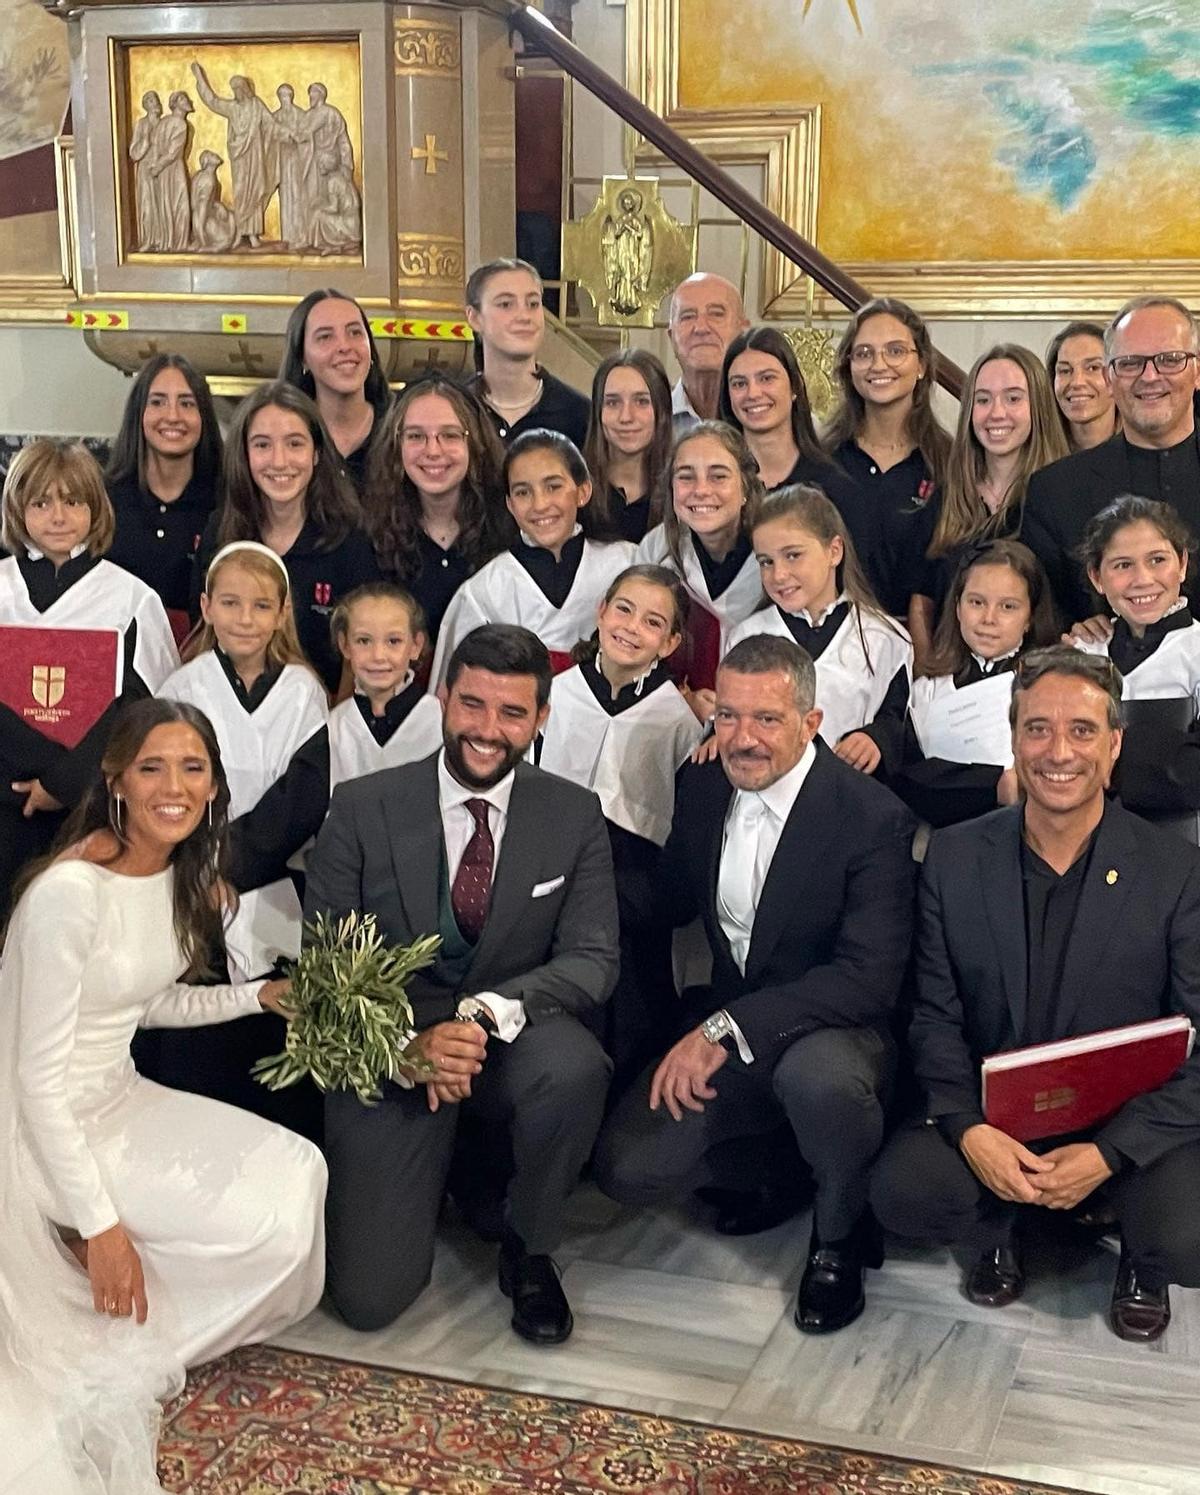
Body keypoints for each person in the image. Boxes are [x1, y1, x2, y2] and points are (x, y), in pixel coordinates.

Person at [0, 697, 326, 1492]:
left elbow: (145, 1004)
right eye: (152, 767)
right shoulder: (69, 894)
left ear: (214, 786)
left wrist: (257, 997)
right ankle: (102, 1340)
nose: (173, 786)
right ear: (116, 778)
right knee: (251, 1223)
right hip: (41, 1127)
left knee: (299, 1182)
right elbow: (34, 1081)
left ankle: (128, 1339)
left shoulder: (177, 874)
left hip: (120, 1094)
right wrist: (100, 1225)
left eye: (192, 768)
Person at [871, 647, 1200, 1342]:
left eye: (1082, 731)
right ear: (1014, 738)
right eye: (1038, 729)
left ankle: (1138, 1253)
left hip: (1125, 1121)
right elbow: (933, 1016)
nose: (1059, 752)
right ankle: (1003, 1222)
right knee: (906, 1193)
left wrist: (1111, 1152)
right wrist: (969, 1129)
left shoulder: (1178, 869)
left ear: (1114, 746)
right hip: (1001, 1117)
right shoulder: (954, 856)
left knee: (1187, 1234)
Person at [595, 634, 917, 1334]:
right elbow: (669, 897)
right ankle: (783, 1170)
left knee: (818, 1082)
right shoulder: (705, 785)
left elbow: (867, 979)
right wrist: (572, 876)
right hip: (734, 1022)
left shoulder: (871, 816)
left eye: (766, 719)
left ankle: (839, 1233)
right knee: (629, 1167)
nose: (743, 738)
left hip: (833, 1031)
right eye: (729, 716)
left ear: (810, 722)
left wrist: (724, 1028)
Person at [305, 623, 618, 1340]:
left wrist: (481, 1016)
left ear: (541, 718)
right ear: (443, 697)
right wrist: (405, 1049)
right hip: (389, 1047)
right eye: (472, 704)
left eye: (512, 713)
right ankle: (448, 1175)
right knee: (369, 1301)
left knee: (573, 1067)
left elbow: (593, 959)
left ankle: (530, 1245)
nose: (487, 729)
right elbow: (325, 968)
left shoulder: (573, 813)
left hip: (503, 1035)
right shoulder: (361, 806)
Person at [0, 441, 178, 919]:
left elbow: (143, 711)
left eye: (73, 501)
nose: (58, 516)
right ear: (17, 508)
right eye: (41, 502)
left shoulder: (131, 598)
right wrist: (35, 776)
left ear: (95, 509)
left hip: (93, 803)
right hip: (6, 799)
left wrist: (64, 781)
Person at [540, 565, 702, 1085]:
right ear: (601, 612)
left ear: (670, 642)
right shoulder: (556, 694)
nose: (632, 627)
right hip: (552, 865)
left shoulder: (679, 722)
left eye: (653, 622)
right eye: (624, 610)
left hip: (632, 883)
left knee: (631, 1011)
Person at [156, 542, 327, 980]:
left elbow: (303, 797)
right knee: (197, 996)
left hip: (276, 880)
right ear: (206, 607)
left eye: (261, 605)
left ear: (283, 613)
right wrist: (201, 870)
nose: (245, 619)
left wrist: (230, 865)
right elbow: (164, 787)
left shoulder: (303, 691)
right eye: (230, 603)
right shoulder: (183, 689)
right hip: (192, 878)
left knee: (269, 1000)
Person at [228, 580, 445, 896]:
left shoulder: (440, 725)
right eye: (363, 641)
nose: (378, 655)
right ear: (345, 646)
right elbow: (281, 821)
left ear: (416, 645)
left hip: (423, 891)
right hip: (344, 894)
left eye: (393, 641)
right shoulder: (332, 730)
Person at [193, 381, 379, 693]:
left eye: (294, 444)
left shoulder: (352, 541)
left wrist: (332, 717)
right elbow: (205, 636)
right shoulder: (220, 533)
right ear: (244, 454)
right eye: (262, 445)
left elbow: (361, 652)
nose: (279, 461)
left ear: (317, 453)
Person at [1025, 296, 1200, 625]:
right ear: (1109, 378)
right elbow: (1044, 618)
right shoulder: (1055, 491)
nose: (1150, 376)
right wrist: (1076, 633)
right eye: (1131, 363)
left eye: (1170, 360)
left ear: (1197, 371)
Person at [725, 486, 913, 779]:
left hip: (847, 791)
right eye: (766, 562)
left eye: (793, 555)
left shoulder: (885, 638)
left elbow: (898, 721)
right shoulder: (745, 637)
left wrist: (876, 739)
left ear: (834, 551)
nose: (779, 575)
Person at [430, 430, 634, 685]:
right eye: (523, 492)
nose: (540, 505)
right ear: (510, 505)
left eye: (553, 487)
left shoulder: (626, 565)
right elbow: (454, 691)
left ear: (582, 491)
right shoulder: (484, 592)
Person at [893, 538, 1058, 828]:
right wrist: (997, 785)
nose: (988, 619)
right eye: (976, 602)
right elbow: (911, 779)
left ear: (1030, 617)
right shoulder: (928, 688)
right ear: (957, 607)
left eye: (1008, 606)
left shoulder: (1054, 686)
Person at [823, 298, 952, 658]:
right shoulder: (822, 461)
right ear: (848, 366)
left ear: (921, 364)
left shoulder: (951, 463)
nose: (878, 365)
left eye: (895, 351)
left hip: (926, 649)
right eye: (864, 353)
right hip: (835, 649)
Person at [1073, 495, 1200, 840]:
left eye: (1157, 560)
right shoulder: (1081, 654)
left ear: (1182, 563)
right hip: (1088, 843)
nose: (1142, 579)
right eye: (1122, 565)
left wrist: (1102, 759)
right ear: (1097, 577)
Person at [917, 344, 1066, 619]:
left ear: (1039, 407)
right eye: (983, 400)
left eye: (1013, 398)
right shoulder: (948, 498)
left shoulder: (1062, 498)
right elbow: (922, 598)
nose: (997, 413)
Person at [363, 376, 510, 646]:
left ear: (475, 442)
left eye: (450, 435)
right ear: (396, 445)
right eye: (416, 436)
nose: (433, 450)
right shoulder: (369, 538)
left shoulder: (508, 531)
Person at [634, 421, 765, 703]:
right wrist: (683, 700)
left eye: (718, 476)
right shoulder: (657, 550)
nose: (701, 490)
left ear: (745, 486)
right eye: (686, 477)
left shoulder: (774, 552)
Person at [104, 354, 223, 641]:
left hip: (204, 654)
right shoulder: (103, 501)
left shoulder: (228, 501)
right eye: (157, 402)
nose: (173, 416)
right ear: (138, 413)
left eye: (187, 403)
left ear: (204, 416)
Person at [465, 258, 589, 448]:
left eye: (533, 304)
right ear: (474, 318)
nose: (524, 316)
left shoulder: (579, 415)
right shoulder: (456, 409)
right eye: (505, 304)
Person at [279, 287, 392, 496]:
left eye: (355, 332)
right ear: (302, 357)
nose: (344, 346)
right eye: (325, 337)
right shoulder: (282, 435)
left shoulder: (401, 428)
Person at [583, 348, 674, 543]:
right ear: (598, 412)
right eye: (612, 403)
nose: (626, 417)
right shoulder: (575, 491)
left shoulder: (681, 491)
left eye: (641, 401)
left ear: (662, 411)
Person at [189, 65, 278, 248]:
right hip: (239, 159)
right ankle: (241, 231)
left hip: (255, 157)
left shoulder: (256, 105)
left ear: (245, 89)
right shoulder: (232, 108)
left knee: (254, 193)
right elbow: (212, 101)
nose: (236, 92)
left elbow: (272, 124)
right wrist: (200, 78)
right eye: (233, 89)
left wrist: (290, 134)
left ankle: (253, 234)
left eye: (238, 88)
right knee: (242, 193)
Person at [666, 272, 749, 426]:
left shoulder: (771, 419)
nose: (701, 328)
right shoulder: (651, 422)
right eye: (688, 316)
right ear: (672, 337)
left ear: (743, 331)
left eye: (716, 314)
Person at [1046, 321, 1120, 453]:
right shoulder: (1038, 458)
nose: (1077, 382)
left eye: (1093, 368)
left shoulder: (1145, 450)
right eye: (1065, 371)